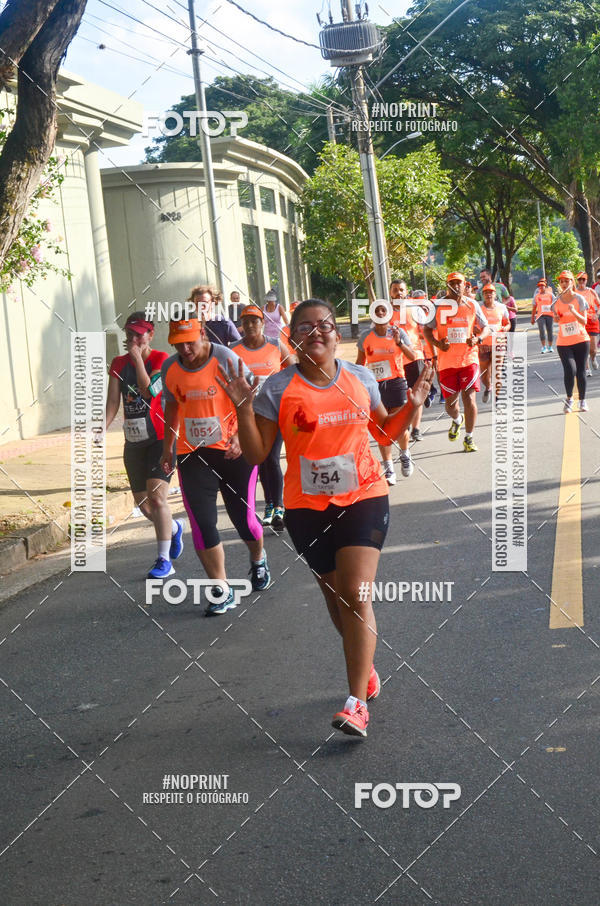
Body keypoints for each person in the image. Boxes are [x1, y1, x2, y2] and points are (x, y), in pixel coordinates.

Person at [218, 298, 433, 737]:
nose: (317, 332)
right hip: (306, 508)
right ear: (292, 337)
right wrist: (242, 406)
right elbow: (259, 455)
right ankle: (366, 667)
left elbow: (382, 432)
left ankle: (356, 703)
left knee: (356, 593)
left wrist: (410, 406)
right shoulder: (276, 388)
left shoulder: (360, 378)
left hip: (364, 495)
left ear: (337, 335)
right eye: (305, 327)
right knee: (337, 602)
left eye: (326, 326)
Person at [159, 317, 270, 615]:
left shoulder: (225, 358)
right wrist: (167, 448)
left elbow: (253, 398)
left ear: (203, 336)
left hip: (234, 453)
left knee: (243, 520)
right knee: (202, 523)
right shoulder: (170, 367)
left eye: (189, 342)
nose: (184, 349)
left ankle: (258, 560)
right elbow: (172, 406)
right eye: (177, 344)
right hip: (193, 455)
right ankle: (221, 590)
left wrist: (239, 435)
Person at [105, 313, 183, 578]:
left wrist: (138, 359)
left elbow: (149, 389)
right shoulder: (117, 363)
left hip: (161, 439)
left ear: (150, 335)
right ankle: (172, 528)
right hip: (134, 441)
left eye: (140, 334)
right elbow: (114, 402)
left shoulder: (163, 360)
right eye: (130, 334)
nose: (133, 339)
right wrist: (102, 426)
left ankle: (164, 560)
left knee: (158, 497)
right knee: (143, 504)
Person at [231, 304, 296, 528]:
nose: (250, 326)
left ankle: (277, 506)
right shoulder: (233, 349)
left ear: (262, 323)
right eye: (246, 321)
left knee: (271, 457)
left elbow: (294, 371)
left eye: (254, 321)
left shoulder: (276, 345)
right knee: (256, 460)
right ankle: (269, 505)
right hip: (247, 415)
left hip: (274, 412)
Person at [423, 273, 490, 452]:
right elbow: (427, 331)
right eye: (452, 283)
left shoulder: (472, 304)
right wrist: (438, 344)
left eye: (458, 283)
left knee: (469, 398)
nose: (455, 286)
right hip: (447, 363)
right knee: (451, 405)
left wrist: (478, 339)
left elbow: (486, 328)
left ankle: (469, 437)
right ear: (447, 285)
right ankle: (457, 420)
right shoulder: (437, 306)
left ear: (464, 284)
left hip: (469, 359)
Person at [356, 302, 416, 483]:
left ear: (388, 314)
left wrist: (399, 343)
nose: (380, 313)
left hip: (396, 383)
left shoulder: (398, 332)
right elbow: (360, 362)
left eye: (383, 310)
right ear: (372, 316)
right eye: (376, 311)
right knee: (382, 428)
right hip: (375, 386)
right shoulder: (365, 337)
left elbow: (412, 356)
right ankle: (388, 466)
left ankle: (404, 454)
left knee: (400, 425)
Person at [390, 281, 426, 441]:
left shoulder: (415, 310)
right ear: (390, 293)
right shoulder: (384, 313)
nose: (399, 293)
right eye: (395, 290)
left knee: (416, 394)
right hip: (394, 361)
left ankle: (416, 428)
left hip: (415, 357)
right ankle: (406, 424)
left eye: (401, 290)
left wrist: (433, 356)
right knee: (403, 398)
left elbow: (427, 333)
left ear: (406, 292)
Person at [552, 271, 590, 412]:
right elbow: (556, 317)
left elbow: (584, 321)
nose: (564, 284)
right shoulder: (556, 300)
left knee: (581, 371)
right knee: (570, 370)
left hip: (581, 339)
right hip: (563, 342)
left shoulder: (579, 299)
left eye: (567, 281)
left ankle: (582, 401)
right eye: (562, 281)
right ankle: (569, 399)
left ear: (572, 282)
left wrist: (573, 312)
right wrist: (556, 318)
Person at [479, 284, 510, 402]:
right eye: (486, 292)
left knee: (497, 370)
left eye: (491, 292)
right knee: (484, 375)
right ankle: (488, 387)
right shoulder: (479, 308)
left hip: (499, 343)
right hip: (483, 345)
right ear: (483, 295)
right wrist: (478, 332)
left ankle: (497, 398)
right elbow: (473, 325)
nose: (489, 294)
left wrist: (506, 328)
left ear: (495, 294)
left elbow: (507, 323)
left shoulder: (502, 307)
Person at [574, 272, 599, 373]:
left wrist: (597, 315)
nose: (581, 282)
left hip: (592, 321)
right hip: (580, 322)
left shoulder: (591, 292)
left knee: (593, 350)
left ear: (586, 280)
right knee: (583, 347)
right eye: (579, 279)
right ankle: (587, 368)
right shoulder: (574, 293)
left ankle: (592, 358)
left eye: (583, 279)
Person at [531, 279, 555, 352]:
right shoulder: (536, 296)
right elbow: (534, 308)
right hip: (540, 316)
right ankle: (544, 347)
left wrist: (556, 313)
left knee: (550, 330)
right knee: (542, 330)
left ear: (545, 287)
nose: (541, 287)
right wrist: (532, 318)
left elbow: (555, 304)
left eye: (542, 286)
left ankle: (550, 347)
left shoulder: (550, 295)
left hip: (549, 315)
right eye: (539, 286)